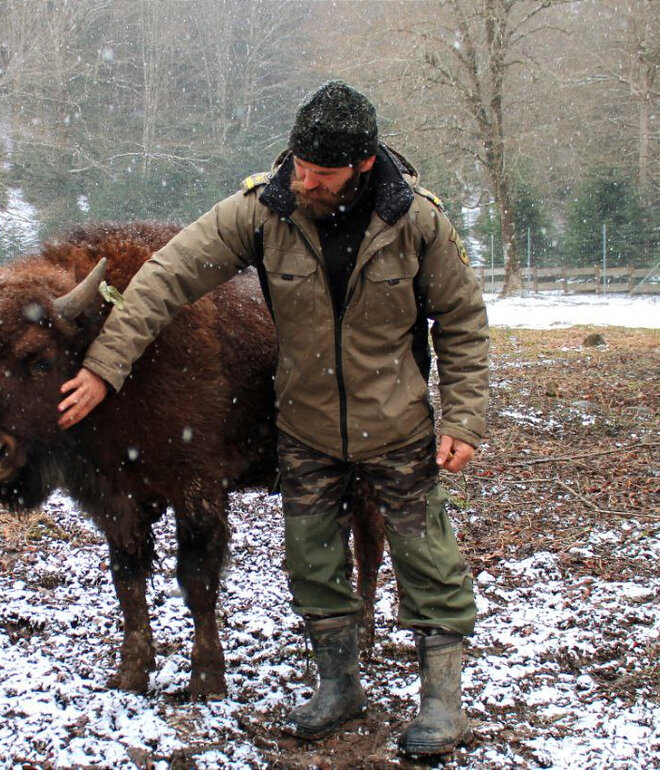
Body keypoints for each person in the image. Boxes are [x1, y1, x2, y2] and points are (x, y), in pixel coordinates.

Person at [57, 80, 489, 757]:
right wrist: (104, 367)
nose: (305, 179)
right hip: (308, 428)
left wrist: (461, 417)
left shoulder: (418, 223)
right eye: (299, 162)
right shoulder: (265, 209)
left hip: (397, 425)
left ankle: (443, 703)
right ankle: (338, 685)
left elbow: (462, 320)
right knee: (312, 565)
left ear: (364, 165)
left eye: (322, 170)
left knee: (427, 559)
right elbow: (165, 278)